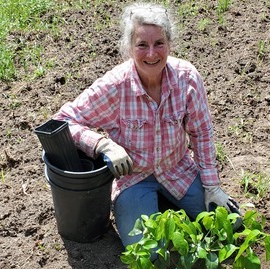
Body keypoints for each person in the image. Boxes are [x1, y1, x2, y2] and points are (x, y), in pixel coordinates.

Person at [53, 2, 238, 248]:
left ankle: (170, 204)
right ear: (130, 48)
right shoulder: (115, 87)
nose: (151, 54)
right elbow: (62, 120)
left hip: (177, 169)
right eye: (142, 45)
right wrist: (103, 145)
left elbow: (201, 133)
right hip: (134, 178)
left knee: (229, 226)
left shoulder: (187, 79)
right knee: (146, 252)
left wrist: (212, 186)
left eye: (159, 43)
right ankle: (150, 206)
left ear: (169, 44)